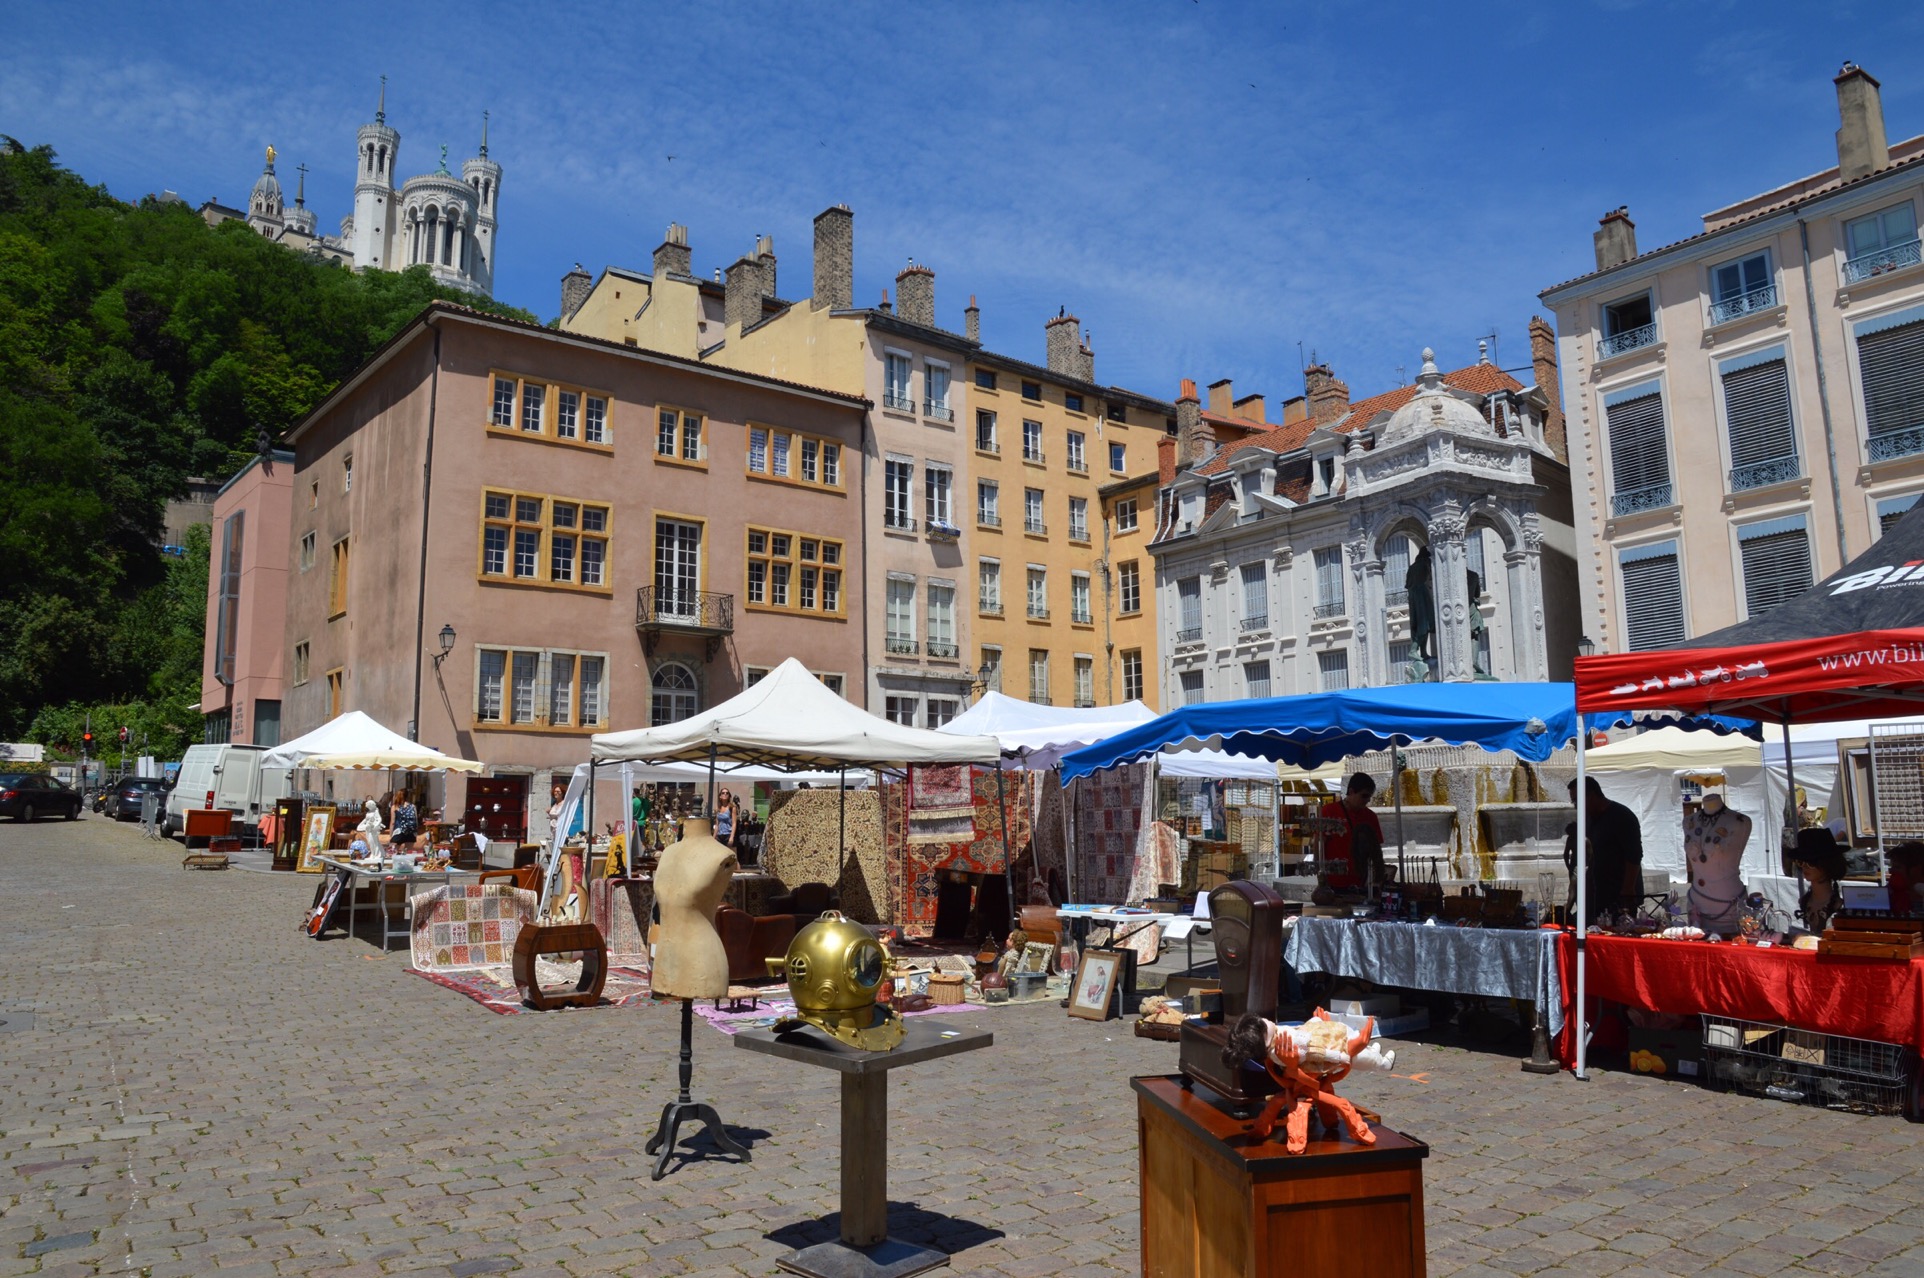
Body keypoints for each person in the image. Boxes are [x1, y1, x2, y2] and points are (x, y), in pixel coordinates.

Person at [1563, 777, 1643, 921]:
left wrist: (1628, 890)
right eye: (1573, 802)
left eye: (1577, 801)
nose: (1575, 806)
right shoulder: (1588, 819)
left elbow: (1634, 855)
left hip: (1620, 892)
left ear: (1591, 795)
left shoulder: (1622, 816)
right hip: (1597, 892)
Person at [1316, 774, 1385, 900]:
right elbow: (1319, 845)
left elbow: (1376, 851)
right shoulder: (1328, 812)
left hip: (1362, 883)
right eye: (1364, 796)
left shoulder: (1371, 817)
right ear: (1351, 792)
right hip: (1334, 883)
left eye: (1369, 797)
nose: (1367, 800)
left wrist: (1378, 879)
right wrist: (1321, 877)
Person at [1789, 827, 1849, 933]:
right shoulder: (1806, 901)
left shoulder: (1839, 905)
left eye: (1811, 863)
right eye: (1800, 862)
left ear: (1826, 864)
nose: (1805, 867)